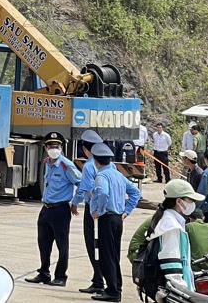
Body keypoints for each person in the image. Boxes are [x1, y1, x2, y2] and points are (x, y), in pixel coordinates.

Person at [88, 141, 143, 301]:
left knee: (106, 255)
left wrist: (98, 210)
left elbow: (103, 193)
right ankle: (115, 287)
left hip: (107, 218)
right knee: (113, 255)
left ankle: (112, 291)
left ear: (96, 160)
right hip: (117, 219)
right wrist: (126, 211)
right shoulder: (119, 175)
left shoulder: (102, 175)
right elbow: (135, 193)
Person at [27, 131, 80, 287]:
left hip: (60, 210)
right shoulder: (48, 163)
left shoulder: (66, 165)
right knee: (43, 243)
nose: (54, 148)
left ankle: (61, 276)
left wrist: (76, 202)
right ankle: (44, 273)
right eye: (51, 146)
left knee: (62, 245)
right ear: (45, 147)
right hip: (46, 208)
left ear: (62, 148)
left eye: (56, 146)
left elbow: (81, 183)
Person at [146, 179, 206, 294]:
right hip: (176, 290)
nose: (193, 203)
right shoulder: (171, 226)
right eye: (190, 200)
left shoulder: (170, 219)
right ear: (179, 201)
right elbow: (170, 262)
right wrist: (183, 291)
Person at [73, 129, 107, 295]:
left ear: (86, 150)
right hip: (106, 210)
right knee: (101, 246)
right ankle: (99, 279)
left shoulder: (88, 166)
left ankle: (98, 281)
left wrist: (75, 203)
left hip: (93, 211)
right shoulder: (109, 163)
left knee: (92, 245)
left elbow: (85, 189)